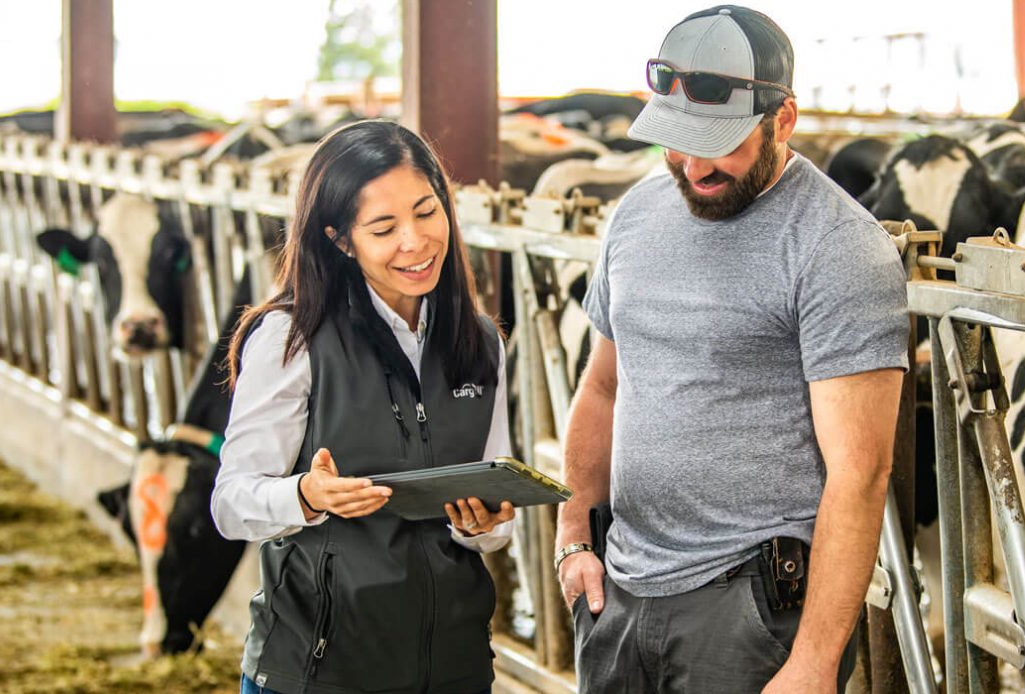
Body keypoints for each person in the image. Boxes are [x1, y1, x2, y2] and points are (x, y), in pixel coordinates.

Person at [554, 6, 909, 693]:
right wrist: (575, 538)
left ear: (783, 120)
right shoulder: (634, 216)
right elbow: (602, 387)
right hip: (620, 590)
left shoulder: (838, 247)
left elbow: (860, 472)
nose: (691, 165)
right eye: (673, 140)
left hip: (749, 609)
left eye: (716, 141)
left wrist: (812, 663)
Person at [211, 120, 516, 694]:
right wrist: (305, 496)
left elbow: (491, 521)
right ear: (341, 239)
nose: (416, 241)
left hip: (453, 668)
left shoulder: (479, 342)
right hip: (321, 671)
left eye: (427, 213)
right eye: (384, 227)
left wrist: (485, 524)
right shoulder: (291, 337)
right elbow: (231, 503)